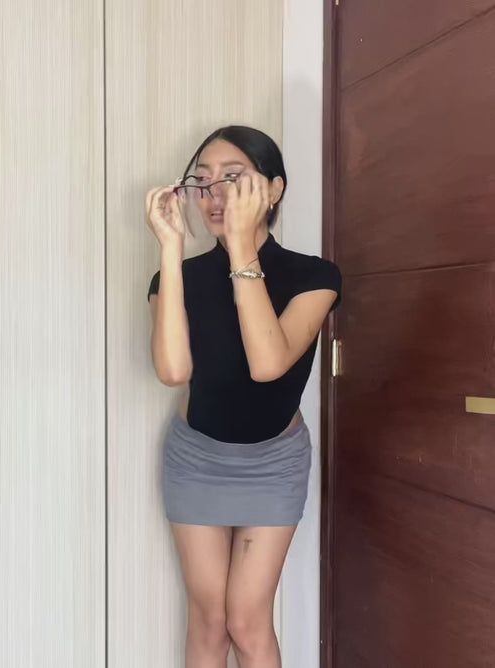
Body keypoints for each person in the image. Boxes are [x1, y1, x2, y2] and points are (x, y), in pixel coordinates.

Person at [146, 125, 341, 668]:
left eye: (233, 179)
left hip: (273, 463)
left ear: (274, 190)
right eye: (202, 181)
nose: (214, 195)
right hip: (195, 459)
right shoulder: (176, 276)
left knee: (247, 622)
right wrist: (170, 249)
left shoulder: (315, 276)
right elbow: (173, 370)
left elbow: (268, 364)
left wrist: (239, 248)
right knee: (208, 621)